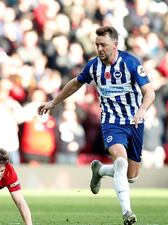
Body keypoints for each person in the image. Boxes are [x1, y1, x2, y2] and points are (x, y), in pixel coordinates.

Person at [38, 26, 155, 225]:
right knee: (120, 161)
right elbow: (75, 83)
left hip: (134, 122)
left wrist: (142, 109)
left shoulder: (130, 62)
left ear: (115, 45)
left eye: (104, 45)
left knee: (131, 176)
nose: (99, 48)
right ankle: (127, 212)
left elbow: (149, 91)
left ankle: (99, 170)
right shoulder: (93, 66)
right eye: (97, 44)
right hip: (111, 122)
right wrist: (53, 102)